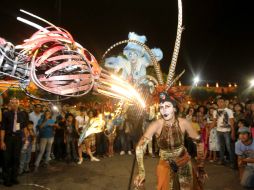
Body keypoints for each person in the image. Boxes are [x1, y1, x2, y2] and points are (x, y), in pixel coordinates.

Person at [134, 92, 207, 190]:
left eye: (167, 106)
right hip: (165, 164)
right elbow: (139, 147)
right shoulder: (156, 125)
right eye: (161, 107)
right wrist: (141, 172)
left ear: (174, 108)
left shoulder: (183, 123)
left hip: (184, 161)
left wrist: (200, 166)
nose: (163, 109)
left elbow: (199, 142)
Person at [0, 98, 28, 186]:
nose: (15, 104)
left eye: (16, 103)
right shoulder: (6, 114)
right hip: (8, 139)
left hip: (18, 139)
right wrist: (2, 142)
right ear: (10, 104)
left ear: (19, 104)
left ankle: (14, 177)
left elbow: (24, 127)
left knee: (16, 159)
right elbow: (3, 129)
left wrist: (26, 138)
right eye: (13, 103)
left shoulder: (22, 114)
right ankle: (6, 179)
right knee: (7, 159)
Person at [213, 96, 235, 167]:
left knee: (229, 147)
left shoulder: (229, 111)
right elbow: (214, 122)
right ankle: (221, 160)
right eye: (219, 101)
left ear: (224, 102)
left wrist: (233, 132)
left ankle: (232, 162)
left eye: (222, 101)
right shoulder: (215, 111)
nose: (220, 103)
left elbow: (232, 122)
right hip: (218, 131)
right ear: (217, 103)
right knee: (221, 147)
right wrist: (209, 129)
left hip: (227, 131)